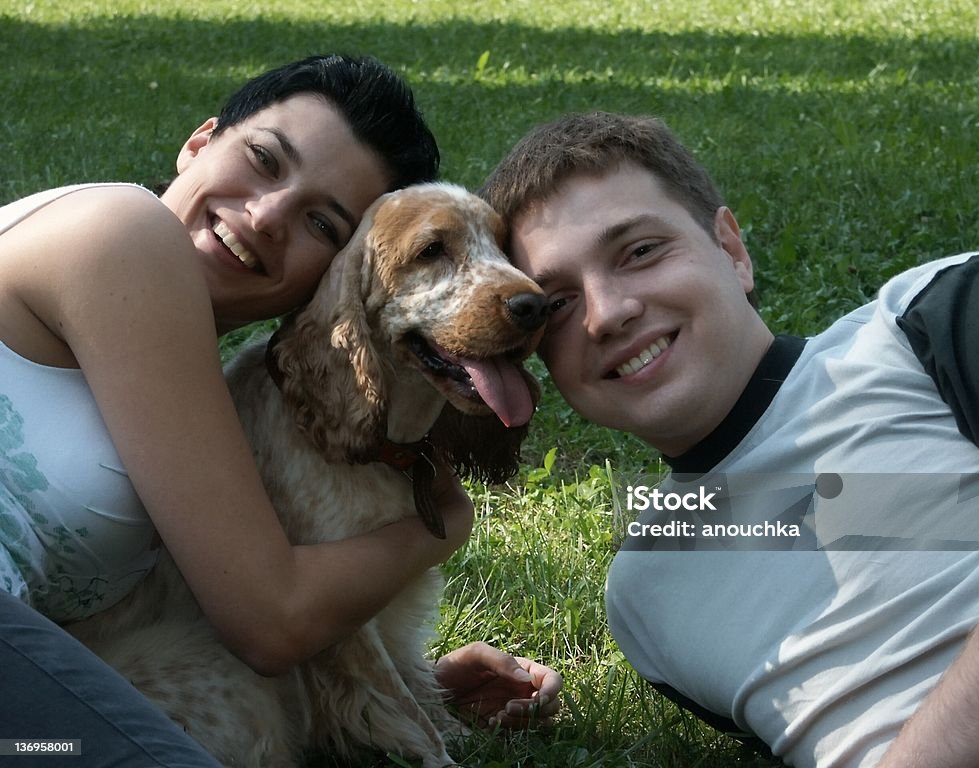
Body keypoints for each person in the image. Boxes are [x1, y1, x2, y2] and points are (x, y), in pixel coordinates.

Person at [0, 54, 559, 766]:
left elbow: (192, 619)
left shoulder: (194, 378)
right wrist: (441, 523)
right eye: (264, 159)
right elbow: (271, 619)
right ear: (199, 142)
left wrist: (411, 691)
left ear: (334, 281)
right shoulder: (123, 231)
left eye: (322, 224)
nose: (266, 217)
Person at [479, 111, 979, 768]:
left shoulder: (929, 314)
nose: (607, 313)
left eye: (640, 252)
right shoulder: (645, 596)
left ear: (732, 251)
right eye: (557, 303)